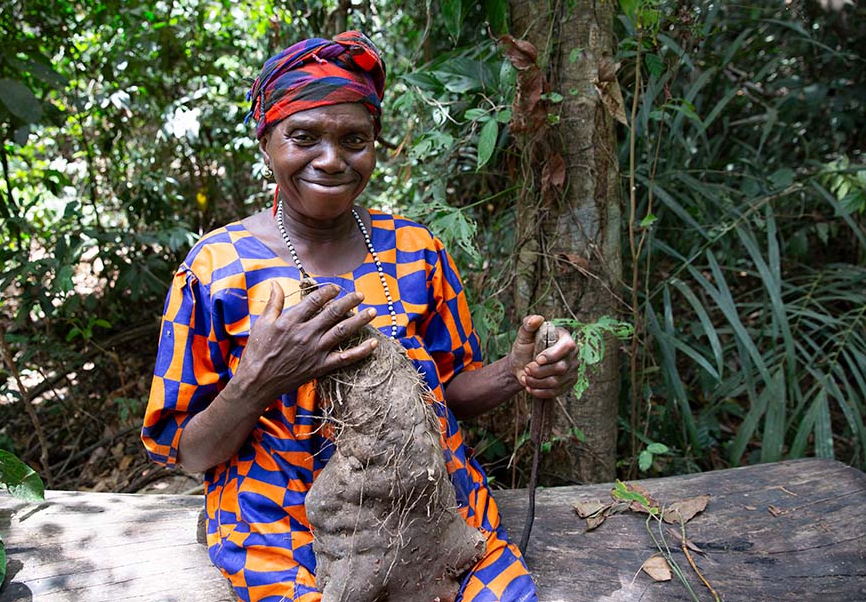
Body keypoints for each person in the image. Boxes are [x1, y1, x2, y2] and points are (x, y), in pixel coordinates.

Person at [142, 31, 579, 602]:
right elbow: (191, 453)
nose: (330, 159)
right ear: (266, 141)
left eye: (354, 139)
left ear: (375, 144)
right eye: (303, 137)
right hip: (276, 519)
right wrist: (260, 379)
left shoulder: (415, 249)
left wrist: (514, 372)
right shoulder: (217, 268)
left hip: (429, 507)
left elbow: (449, 393)